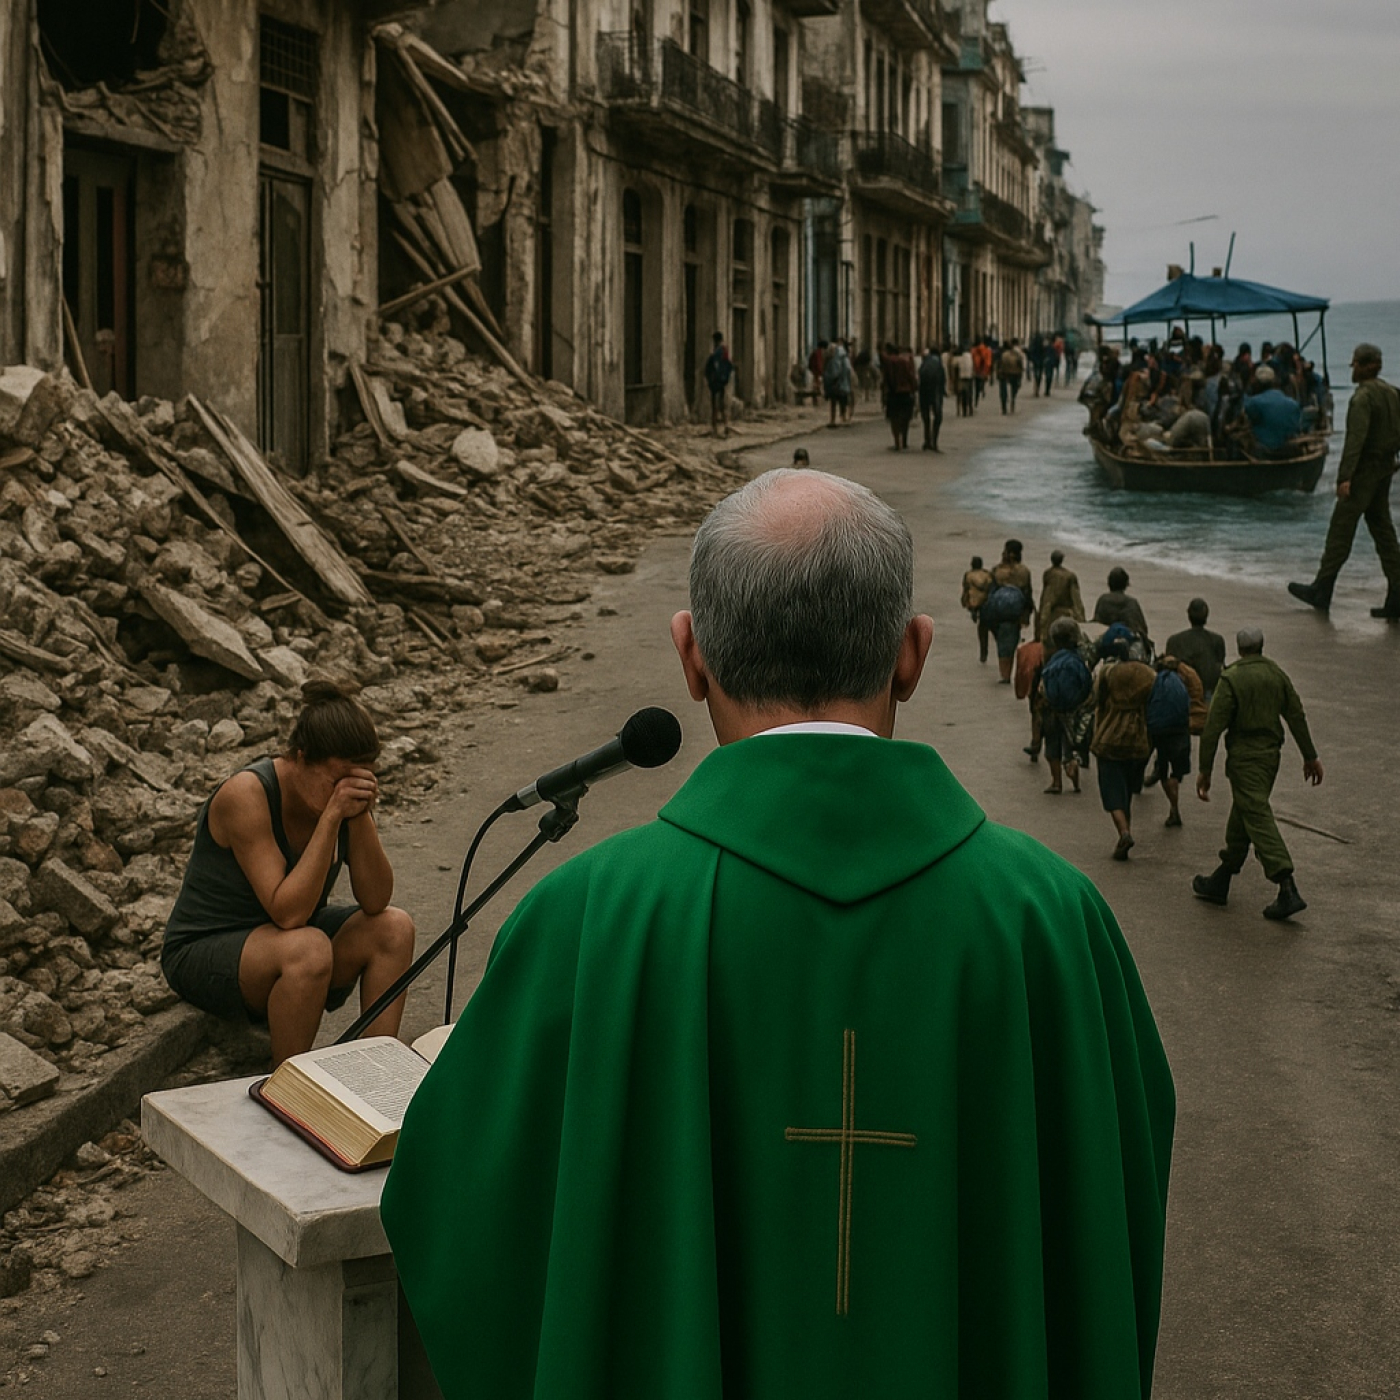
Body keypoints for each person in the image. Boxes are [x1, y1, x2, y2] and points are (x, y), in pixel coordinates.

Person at [381, 467, 1174, 1400]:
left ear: (690, 656)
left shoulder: (587, 916)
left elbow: (461, 1210)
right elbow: (1112, 1192)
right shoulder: (1053, 919)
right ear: (913, 655)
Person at [161, 682, 415, 1067]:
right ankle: (288, 1092)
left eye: (360, 779)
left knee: (395, 928)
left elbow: (375, 899)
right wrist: (331, 818)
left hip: (284, 940)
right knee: (309, 948)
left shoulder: (342, 796)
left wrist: (359, 816)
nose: (346, 790)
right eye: (337, 779)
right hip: (205, 949)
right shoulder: (247, 794)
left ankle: (376, 1073)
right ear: (299, 757)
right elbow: (289, 913)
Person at [1192, 628, 1323, 920]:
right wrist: (1310, 756)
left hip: (1244, 759)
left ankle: (1286, 885)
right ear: (1262, 646)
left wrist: (1204, 770)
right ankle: (1221, 879)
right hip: (1270, 758)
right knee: (1246, 811)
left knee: (1257, 815)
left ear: (1239, 650)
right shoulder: (1276, 674)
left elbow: (1213, 728)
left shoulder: (1232, 678)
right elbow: (1296, 715)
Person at [1288, 343, 1400, 617]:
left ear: (1365, 366)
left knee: (1341, 528)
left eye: (1355, 364)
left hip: (1364, 471)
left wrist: (1345, 477)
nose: (1352, 369)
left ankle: (1322, 589)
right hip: (1385, 468)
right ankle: (1397, 594)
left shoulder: (1362, 398)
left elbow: (1355, 441)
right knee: (1383, 530)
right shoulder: (1393, 393)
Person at [1090, 627, 1156, 860]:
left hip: (1109, 736)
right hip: (1138, 739)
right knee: (1127, 789)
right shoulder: (1149, 675)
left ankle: (1124, 831)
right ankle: (1126, 827)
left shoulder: (1109, 672)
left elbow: (1095, 698)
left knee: (1111, 790)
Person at [1038, 615, 1094, 794]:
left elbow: (1042, 686)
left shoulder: (1053, 661)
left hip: (1052, 711)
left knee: (1052, 747)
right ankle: (1074, 774)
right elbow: (1087, 683)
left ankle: (1056, 782)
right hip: (1074, 711)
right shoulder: (1077, 661)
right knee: (1070, 745)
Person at [1143, 657, 1198, 829]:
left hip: (1159, 731)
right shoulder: (1181, 682)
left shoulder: (1155, 681)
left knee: (1164, 768)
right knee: (1177, 772)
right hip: (1180, 730)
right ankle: (1174, 805)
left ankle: (1173, 805)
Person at [988, 538, 1034, 684]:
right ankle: (1008, 672)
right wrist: (1026, 615)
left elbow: (991, 592)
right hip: (1016, 612)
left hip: (998, 612)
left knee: (1002, 642)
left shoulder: (997, 570)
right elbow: (1027, 594)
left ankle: (1005, 674)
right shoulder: (1024, 571)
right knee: (1012, 639)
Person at [1164, 598, 1226, 702]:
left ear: (1189, 615)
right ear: (1206, 616)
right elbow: (1219, 665)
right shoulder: (1217, 640)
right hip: (1208, 693)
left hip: (1181, 693)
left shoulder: (1174, 641)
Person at [1241, 366, 1302, 453]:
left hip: (1264, 450)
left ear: (1257, 383)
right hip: (1287, 450)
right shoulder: (1293, 404)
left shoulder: (1254, 402)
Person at [1092, 567, 1151, 651]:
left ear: (1109, 583)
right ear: (1125, 585)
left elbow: (1097, 622)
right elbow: (1140, 628)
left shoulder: (1103, 599)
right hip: (1126, 644)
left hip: (1105, 642)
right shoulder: (1131, 602)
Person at [1038, 549, 1086, 643]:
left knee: (1050, 641)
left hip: (1051, 613)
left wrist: (1041, 616)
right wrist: (1081, 618)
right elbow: (1076, 599)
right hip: (1066, 613)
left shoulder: (1048, 573)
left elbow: (1045, 596)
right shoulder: (1070, 575)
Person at [960, 553, 995, 663]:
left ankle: (983, 653)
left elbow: (966, 589)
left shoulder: (968, 575)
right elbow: (992, 588)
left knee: (982, 630)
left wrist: (965, 602)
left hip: (976, 603)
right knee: (991, 628)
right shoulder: (987, 574)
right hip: (987, 603)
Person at [704, 331, 736, 438]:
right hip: (721, 381)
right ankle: (725, 426)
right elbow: (730, 365)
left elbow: (716, 365)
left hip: (716, 381)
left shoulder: (718, 351)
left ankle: (716, 428)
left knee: (716, 405)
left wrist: (713, 377)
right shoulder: (724, 350)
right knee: (721, 404)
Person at [918, 345, 946, 451]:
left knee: (926, 418)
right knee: (937, 417)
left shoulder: (925, 362)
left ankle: (927, 440)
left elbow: (920, 375)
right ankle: (934, 441)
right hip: (935, 392)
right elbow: (942, 378)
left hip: (924, 392)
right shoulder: (938, 363)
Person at [822, 337, 852, 429]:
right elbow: (847, 369)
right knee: (839, 400)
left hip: (837, 381)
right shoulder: (839, 356)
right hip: (838, 381)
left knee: (836, 401)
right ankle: (840, 418)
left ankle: (836, 419)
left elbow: (834, 371)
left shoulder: (836, 357)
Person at [997, 340, 1024, 414]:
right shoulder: (1016, 354)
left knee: (1003, 391)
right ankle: (1013, 399)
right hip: (1015, 373)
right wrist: (1020, 374)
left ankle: (1004, 407)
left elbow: (999, 366)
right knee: (1014, 389)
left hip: (1004, 374)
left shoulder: (1003, 355)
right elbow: (1020, 364)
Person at [956, 344, 975, 417]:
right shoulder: (970, 357)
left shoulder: (959, 358)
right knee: (969, 394)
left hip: (962, 378)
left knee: (963, 394)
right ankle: (970, 408)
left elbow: (957, 367)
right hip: (969, 377)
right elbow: (972, 366)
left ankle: (964, 411)